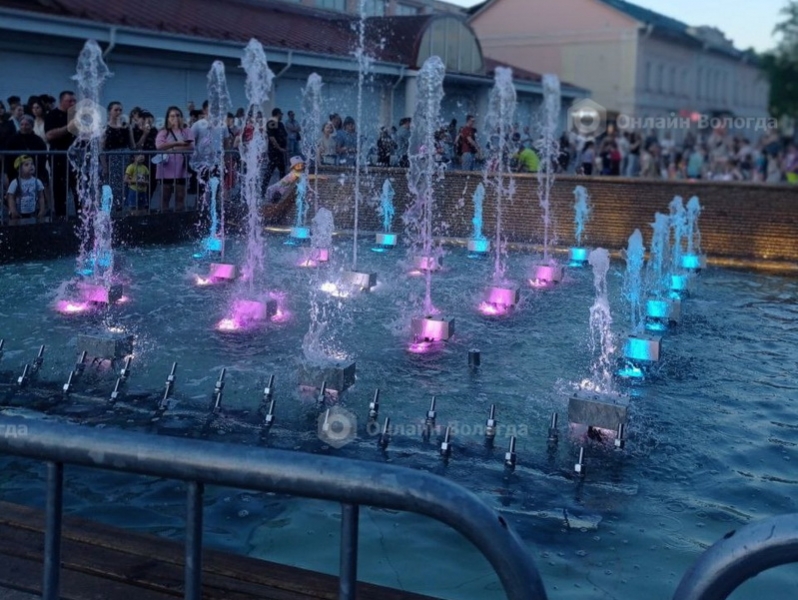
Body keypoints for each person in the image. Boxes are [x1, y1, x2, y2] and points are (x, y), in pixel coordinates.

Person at [5, 155, 46, 221]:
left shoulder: (37, 181)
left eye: (32, 164)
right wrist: (13, 210)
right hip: (19, 213)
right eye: (26, 165)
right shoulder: (15, 182)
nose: (31, 166)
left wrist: (42, 210)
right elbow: (11, 197)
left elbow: (41, 196)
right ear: (19, 169)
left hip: (33, 212)